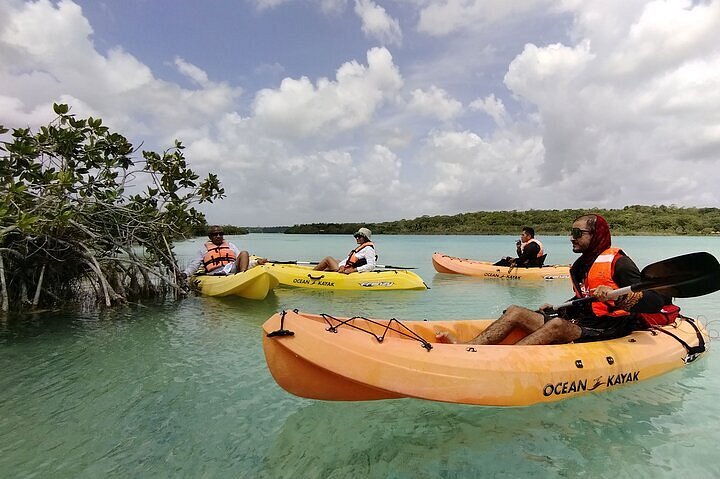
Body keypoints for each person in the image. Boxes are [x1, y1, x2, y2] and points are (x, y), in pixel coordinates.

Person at [437, 214, 668, 345]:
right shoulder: (579, 267)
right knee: (515, 311)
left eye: (577, 233)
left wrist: (621, 298)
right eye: (572, 232)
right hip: (584, 322)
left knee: (556, 325)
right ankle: (469, 349)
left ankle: (499, 361)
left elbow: (655, 300)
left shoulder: (619, 262)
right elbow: (583, 299)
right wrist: (561, 308)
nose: (571, 238)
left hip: (611, 328)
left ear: (595, 235)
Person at [179, 225, 267, 279]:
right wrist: (185, 274)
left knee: (244, 253)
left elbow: (242, 262)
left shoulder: (231, 246)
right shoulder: (203, 250)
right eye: (215, 234)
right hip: (215, 273)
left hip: (232, 269)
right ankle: (240, 278)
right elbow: (194, 265)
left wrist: (257, 262)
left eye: (221, 234)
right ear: (210, 237)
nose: (218, 236)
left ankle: (242, 277)